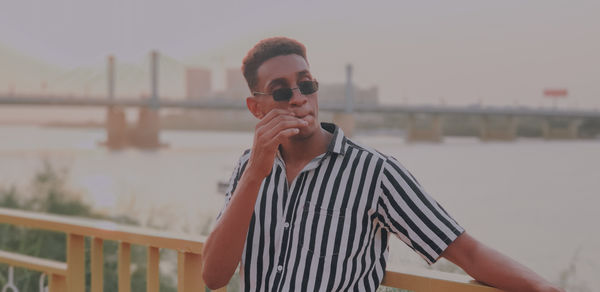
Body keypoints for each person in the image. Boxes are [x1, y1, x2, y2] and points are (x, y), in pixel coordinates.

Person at [201, 37, 563, 292]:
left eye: (306, 84)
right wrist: (254, 175)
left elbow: (466, 250)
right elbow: (214, 276)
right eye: (281, 91)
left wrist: (542, 287)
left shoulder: (375, 173)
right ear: (256, 108)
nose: (298, 99)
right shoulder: (248, 167)